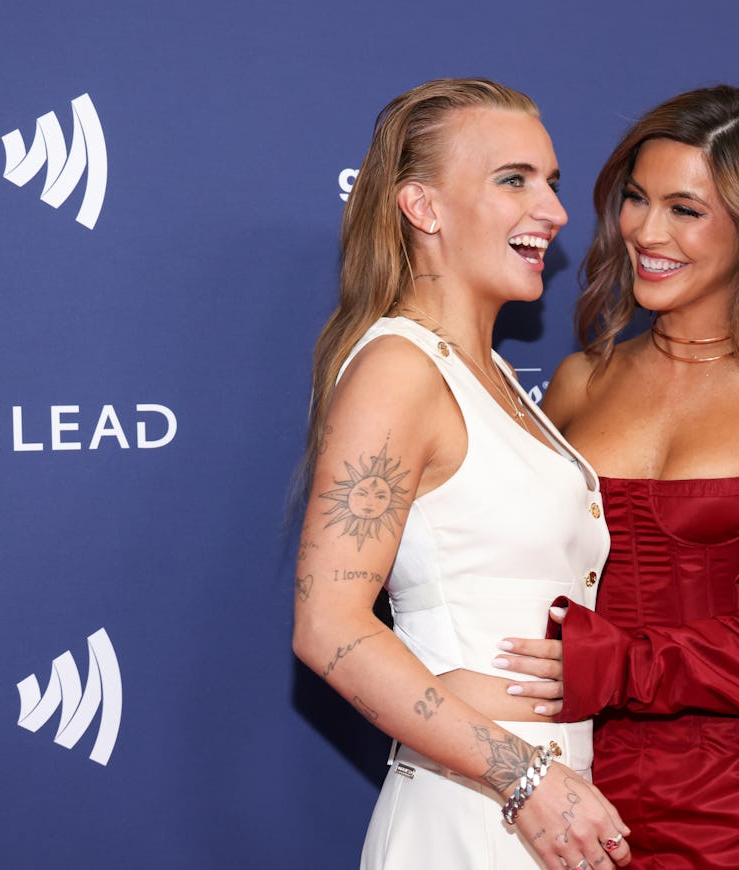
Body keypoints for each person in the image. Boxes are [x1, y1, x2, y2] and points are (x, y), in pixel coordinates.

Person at [494, 85, 739, 869]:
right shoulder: (580, 381)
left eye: (686, 209)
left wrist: (626, 662)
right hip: (572, 807)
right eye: (637, 199)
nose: (646, 229)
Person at [291, 78, 631, 870]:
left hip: (545, 810)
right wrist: (527, 781)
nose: (551, 210)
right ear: (423, 207)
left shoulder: (494, 376)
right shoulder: (397, 369)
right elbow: (329, 626)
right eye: (513, 180)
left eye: (550, 182)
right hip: (478, 818)